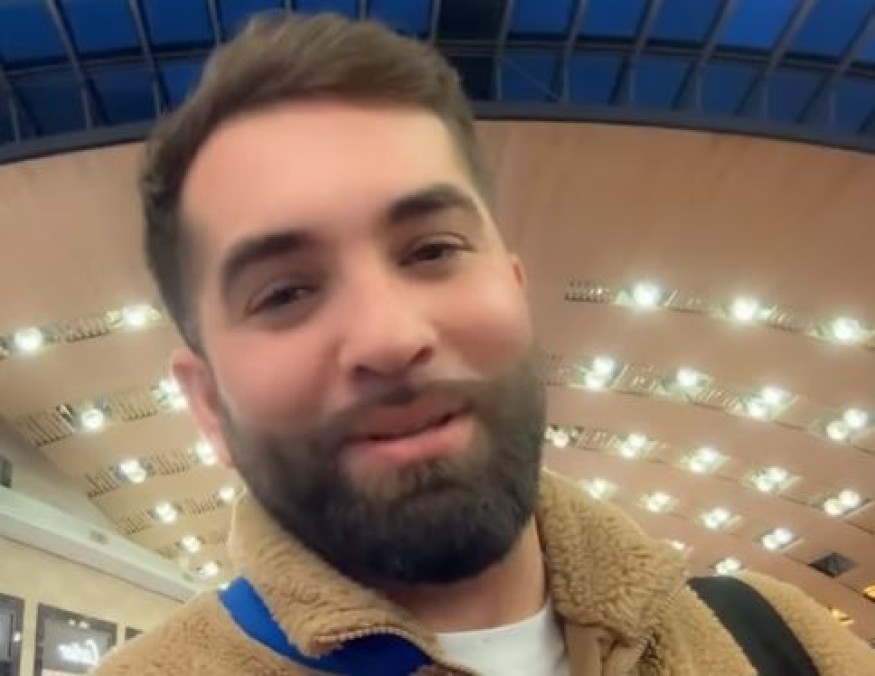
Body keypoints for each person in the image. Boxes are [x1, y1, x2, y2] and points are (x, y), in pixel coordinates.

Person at [95, 12, 873, 676]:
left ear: (514, 289)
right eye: (285, 293)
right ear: (207, 405)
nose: (390, 337)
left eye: (432, 249)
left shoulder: (777, 640)